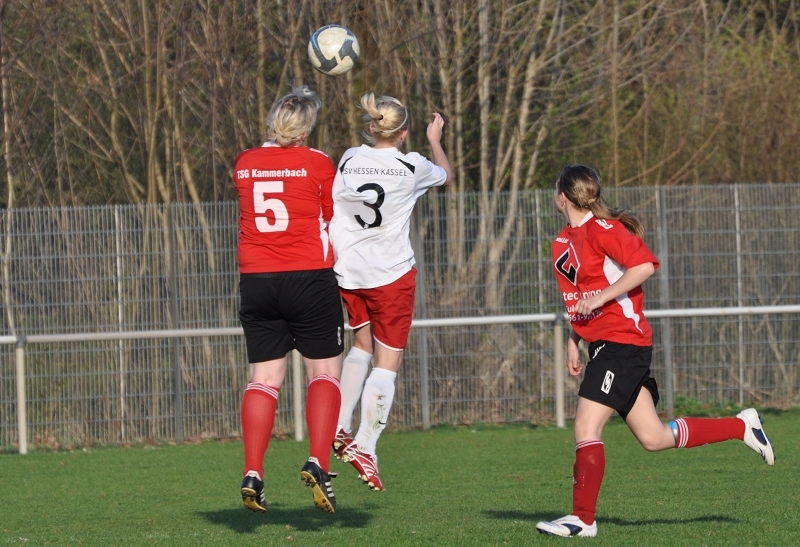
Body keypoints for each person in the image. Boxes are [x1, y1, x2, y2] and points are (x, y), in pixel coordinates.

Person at [536, 164, 775, 538]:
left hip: (623, 343)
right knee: (654, 437)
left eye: (555, 188)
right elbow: (581, 297)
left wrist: (600, 299)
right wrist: (574, 339)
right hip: (604, 344)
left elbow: (644, 266)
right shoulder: (562, 242)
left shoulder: (604, 231)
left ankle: (582, 519)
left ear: (563, 196)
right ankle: (741, 426)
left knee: (585, 425)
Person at [328, 92, 453, 491]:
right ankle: (366, 445)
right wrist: (435, 140)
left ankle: (338, 424)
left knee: (361, 345)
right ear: (403, 133)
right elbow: (445, 174)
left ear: (371, 127)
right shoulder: (412, 165)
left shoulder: (349, 158)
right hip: (390, 274)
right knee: (387, 363)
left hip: (350, 272)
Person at [234, 86, 343, 514]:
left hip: (257, 279)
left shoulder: (244, 162)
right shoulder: (318, 162)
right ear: (305, 130)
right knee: (324, 371)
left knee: (263, 378)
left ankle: (253, 471)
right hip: (308, 277)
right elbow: (334, 218)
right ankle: (318, 462)